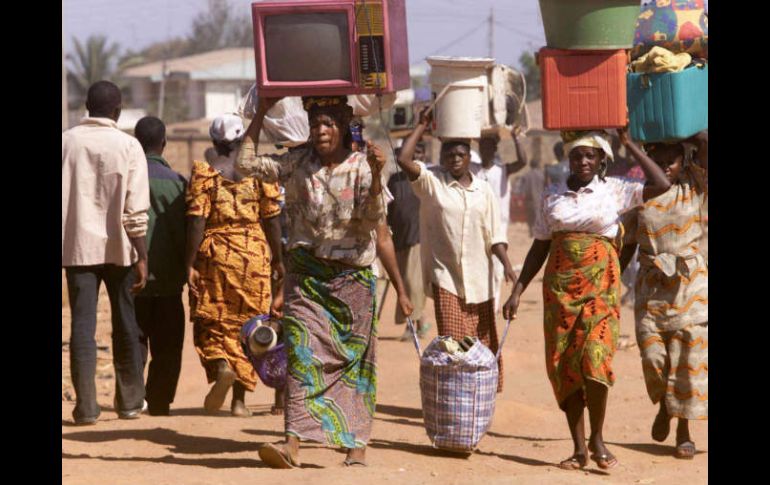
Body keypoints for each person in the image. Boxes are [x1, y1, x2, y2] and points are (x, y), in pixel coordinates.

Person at [237, 95, 412, 468]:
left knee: (355, 363)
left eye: (328, 124)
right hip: (307, 278)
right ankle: (292, 444)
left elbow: (373, 223)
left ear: (343, 127)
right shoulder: (298, 162)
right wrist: (262, 111)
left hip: (352, 280)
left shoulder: (363, 166)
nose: (320, 131)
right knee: (301, 356)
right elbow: (245, 163)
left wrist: (379, 175)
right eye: (315, 123)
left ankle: (356, 443)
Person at [502, 129, 672, 470]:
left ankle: (598, 437)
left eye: (591, 156)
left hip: (600, 290)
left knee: (596, 357)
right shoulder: (552, 196)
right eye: (577, 155)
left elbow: (661, 184)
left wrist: (630, 145)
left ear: (601, 161)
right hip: (559, 291)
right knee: (565, 364)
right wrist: (518, 290)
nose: (583, 161)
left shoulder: (617, 190)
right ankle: (579, 448)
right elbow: (540, 246)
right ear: (568, 159)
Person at [397, 108, 517, 393]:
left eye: (460, 155)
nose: (454, 160)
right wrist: (421, 127)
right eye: (449, 155)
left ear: (469, 158)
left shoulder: (484, 191)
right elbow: (403, 159)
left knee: (480, 341)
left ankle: (479, 392)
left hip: (480, 278)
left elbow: (494, 233)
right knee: (454, 339)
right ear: (441, 158)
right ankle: (458, 391)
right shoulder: (432, 182)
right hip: (446, 276)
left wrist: (508, 265)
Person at [185, 113, 284, 417]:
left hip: (216, 255)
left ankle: (221, 365)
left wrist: (189, 263)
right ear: (242, 139)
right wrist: (278, 259)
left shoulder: (205, 172)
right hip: (253, 253)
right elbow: (272, 218)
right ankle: (239, 402)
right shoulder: (258, 173)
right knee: (251, 325)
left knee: (213, 321)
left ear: (214, 142)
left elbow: (196, 220)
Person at [62, 80, 149, 424]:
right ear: (118, 110)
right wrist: (142, 255)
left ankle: (86, 407)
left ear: (86, 106)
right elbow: (135, 211)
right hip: (120, 247)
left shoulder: (66, 142)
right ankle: (129, 401)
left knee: (81, 325)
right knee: (125, 322)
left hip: (78, 248)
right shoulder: (128, 146)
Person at [619, 131, 708, 460]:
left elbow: (706, 146)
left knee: (686, 364)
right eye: (657, 161)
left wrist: (692, 127)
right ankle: (665, 406)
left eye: (669, 161)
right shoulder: (638, 193)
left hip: (690, 287)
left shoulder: (694, 184)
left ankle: (683, 431)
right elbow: (627, 243)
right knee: (654, 359)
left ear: (682, 160)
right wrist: (611, 282)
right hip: (651, 288)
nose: (664, 167)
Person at [132, 116, 188, 416]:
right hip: (168, 279)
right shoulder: (179, 183)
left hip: (132, 278)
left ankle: (132, 398)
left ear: (135, 142)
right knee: (168, 344)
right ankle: (159, 401)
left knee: (135, 338)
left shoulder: (128, 179)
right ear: (163, 144)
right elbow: (186, 233)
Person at [471, 128, 527, 308]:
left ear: (495, 149)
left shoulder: (503, 170)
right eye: (482, 146)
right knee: (476, 268)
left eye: (489, 146)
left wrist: (516, 138)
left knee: (496, 270)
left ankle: (492, 310)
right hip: (476, 227)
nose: (485, 150)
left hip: (498, 229)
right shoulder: (472, 169)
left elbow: (523, 161)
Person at [387, 146, 430, 340]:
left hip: (417, 237)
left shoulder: (420, 178)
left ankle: (411, 327)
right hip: (399, 239)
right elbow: (388, 207)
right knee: (405, 283)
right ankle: (421, 323)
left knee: (414, 283)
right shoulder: (394, 180)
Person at [518, 157, 545, 238]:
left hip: (528, 200)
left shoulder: (526, 175)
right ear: (537, 165)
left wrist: (521, 197)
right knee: (538, 216)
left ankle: (531, 230)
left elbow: (522, 189)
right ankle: (536, 231)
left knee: (530, 216)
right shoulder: (542, 175)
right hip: (539, 199)